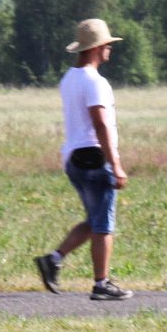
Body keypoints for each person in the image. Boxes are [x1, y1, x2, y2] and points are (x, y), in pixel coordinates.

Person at [35, 17, 133, 302]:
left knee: (94, 219)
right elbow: (100, 124)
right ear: (96, 48)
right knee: (103, 223)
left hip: (73, 157)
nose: (109, 50)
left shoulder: (69, 78)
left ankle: (53, 259)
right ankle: (101, 283)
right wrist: (115, 165)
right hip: (94, 157)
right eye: (106, 45)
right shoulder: (95, 82)